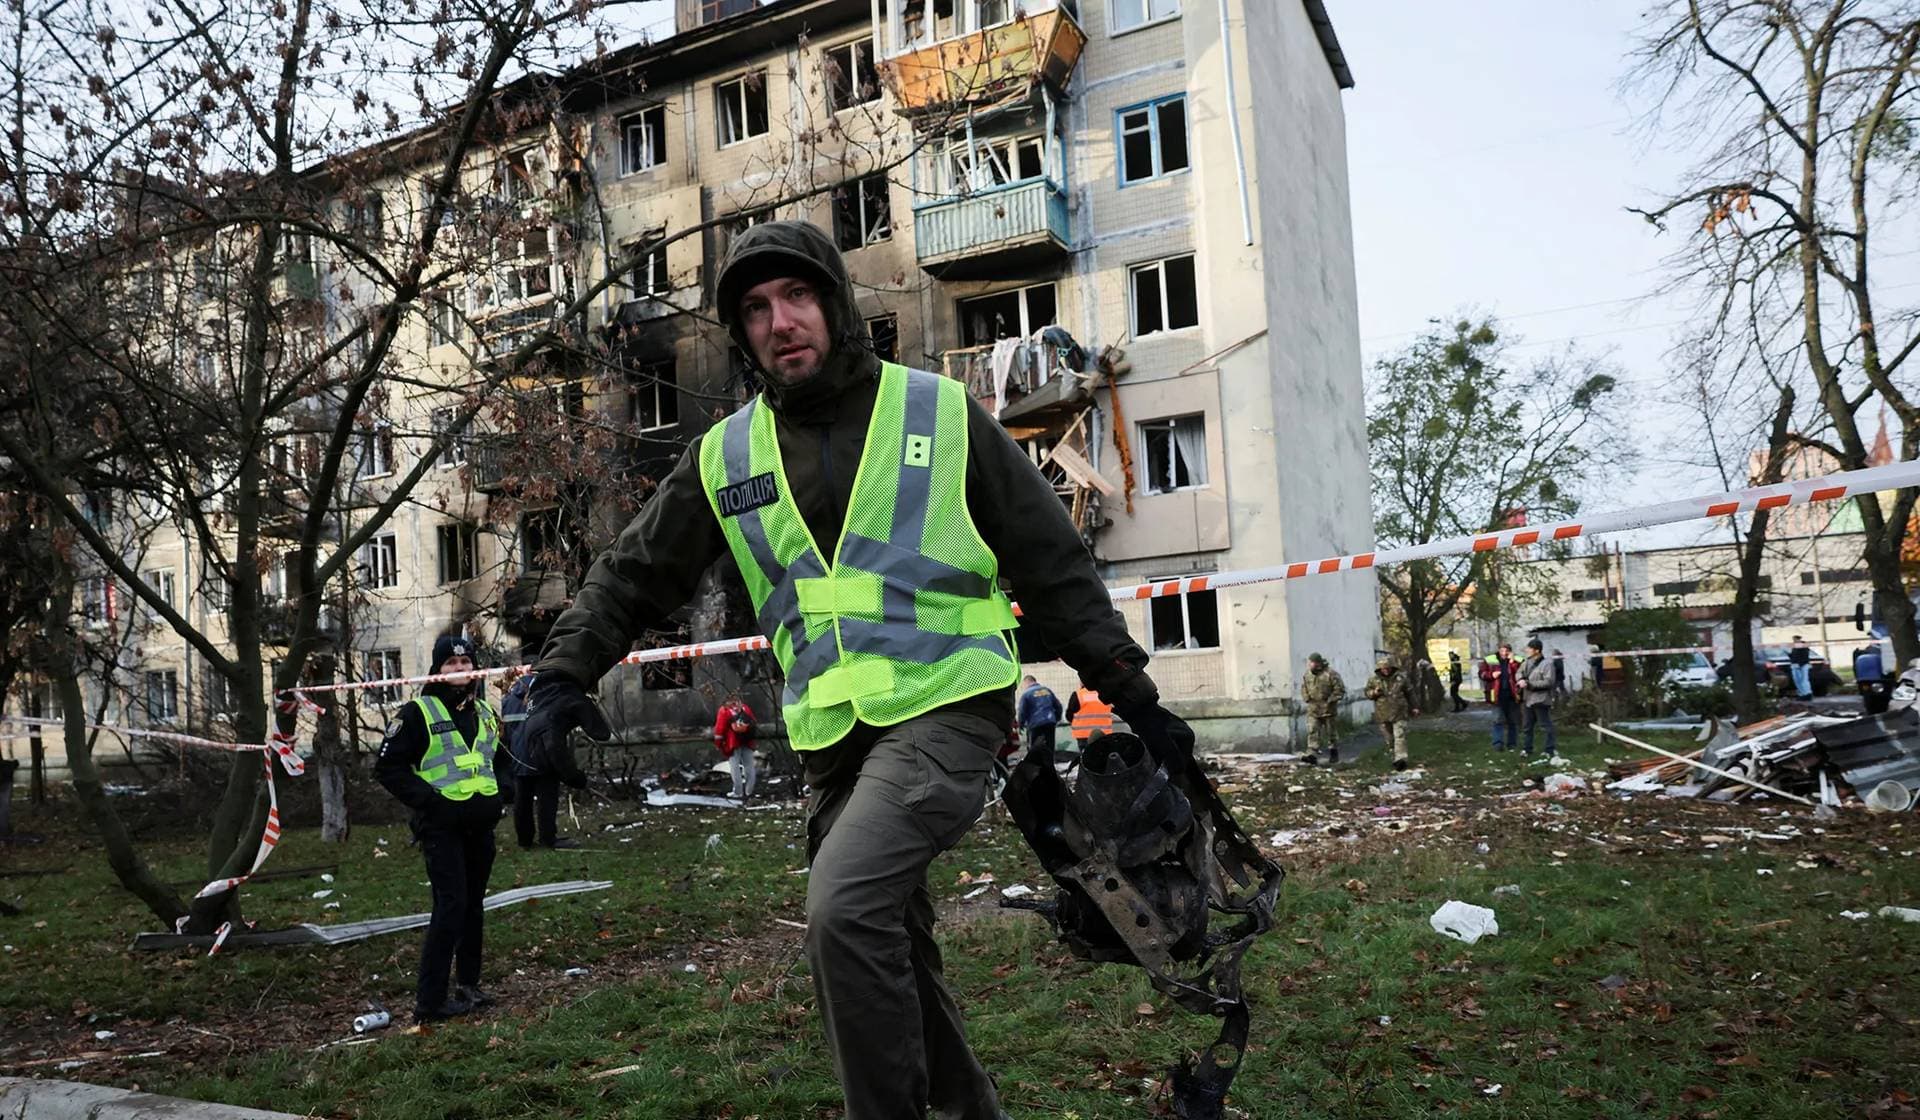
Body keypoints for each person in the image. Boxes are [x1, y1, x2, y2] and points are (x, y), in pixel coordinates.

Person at [515, 220, 1188, 1120]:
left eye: (797, 297)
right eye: (754, 309)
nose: (779, 321)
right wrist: (560, 678)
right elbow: (631, 573)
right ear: (742, 333)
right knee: (891, 950)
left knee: (841, 912)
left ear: (834, 303)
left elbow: (1049, 558)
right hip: (832, 742)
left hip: (950, 705)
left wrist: (1133, 693)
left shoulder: (938, 412)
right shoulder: (725, 455)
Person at [373, 635, 505, 1023]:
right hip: (441, 829)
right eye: (451, 664)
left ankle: (469, 984)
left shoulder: (485, 711)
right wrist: (430, 802)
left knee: (473, 907)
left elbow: (499, 759)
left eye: (466, 664)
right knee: (450, 907)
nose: (460, 671)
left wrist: (504, 794)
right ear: (437, 670)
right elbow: (388, 769)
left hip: (480, 827)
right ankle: (430, 1003)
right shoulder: (418, 712)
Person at [499, 670, 583, 850]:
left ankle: (525, 841)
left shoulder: (508, 699)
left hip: (518, 755)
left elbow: (506, 730)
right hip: (542, 752)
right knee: (547, 798)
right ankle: (548, 839)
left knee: (522, 800)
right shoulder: (545, 694)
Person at [1363, 657, 1418, 771]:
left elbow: (1410, 692)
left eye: (1387, 668)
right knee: (1389, 738)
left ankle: (1401, 759)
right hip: (1383, 713)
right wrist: (1374, 693)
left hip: (1400, 712)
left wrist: (1414, 707)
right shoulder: (1374, 680)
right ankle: (1394, 755)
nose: (1386, 671)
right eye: (1383, 669)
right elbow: (1367, 693)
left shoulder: (1401, 678)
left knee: (1400, 736)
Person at [1301, 652, 1346, 765]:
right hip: (1313, 709)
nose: (1311, 664)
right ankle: (1312, 754)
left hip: (1328, 710)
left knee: (1331, 733)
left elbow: (1339, 690)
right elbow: (1304, 687)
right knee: (1313, 731)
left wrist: (1331, 700)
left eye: (1314, 662)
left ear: (1319, 663)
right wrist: (1306, 698)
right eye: (1310, 662)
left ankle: (1333, 752)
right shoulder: (1307, 675)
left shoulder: (1330, 674)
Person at [713, 695, 759, 801]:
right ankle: (749, 791)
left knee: (735, 767)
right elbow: (753, 722)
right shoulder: (745, 708)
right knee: (749, 767)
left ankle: (738, 792)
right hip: (747, 741)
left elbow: (720, 729)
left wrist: (719, 744)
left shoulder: (724, 711)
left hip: (733, 743)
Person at [1519, 638, 1558, 760]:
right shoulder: (1526, 662)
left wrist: (1530, 684)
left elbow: (1549, 681)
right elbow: (1518, 672)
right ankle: (1527, 749)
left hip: (1541, 699)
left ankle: (1549, 749)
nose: (1527, 650)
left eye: (1529, 648)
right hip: (1527, 699)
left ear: (1537, 650)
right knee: (1527, 726)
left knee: (1545, 726)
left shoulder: (1547, 664)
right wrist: (1520, 679)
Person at [1016, 674, 1063, 755]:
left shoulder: (1026, 694)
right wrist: (1057, 718)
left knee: (1035, 747)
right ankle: (1050, 765)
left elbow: (1022, 711)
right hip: (1050, 722)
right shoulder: (1047, 690)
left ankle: (1036, 765)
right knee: (1049, 746)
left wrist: (1021, 725)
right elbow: (1058, 706)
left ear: (1026, 682)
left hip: (1035, 724)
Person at [1488, 643, 1523, 752]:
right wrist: (1491, 675)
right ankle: (1498, 744)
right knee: (1498, 720)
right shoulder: (1490, 659)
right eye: (1502, 651)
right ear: (1499, 651)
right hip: (1497, 695)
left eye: (1506, 651)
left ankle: (1512, 744)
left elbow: (1520, 673)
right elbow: (1482, 673)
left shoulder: (1518, 660)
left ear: (1510, 652)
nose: (1504, 653)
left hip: (1512, 695)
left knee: (1512, 721)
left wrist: (1512, 662)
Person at [1788, 635, 1814, 700]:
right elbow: (1795, 656)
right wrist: (1790, 655)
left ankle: (1807, 694)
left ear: (1798, 639)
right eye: (1793, 639)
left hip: (1802, 665)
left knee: (1803, 680)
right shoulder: (1795, 646)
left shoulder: (1803, 646)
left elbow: (1804, 656)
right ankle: (1802, 694)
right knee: (1797, 680)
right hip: (1795, 665)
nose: (1794, 641)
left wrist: (1800, 664)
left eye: (1795, 639)